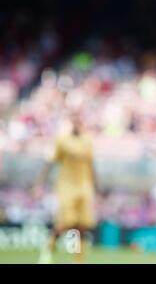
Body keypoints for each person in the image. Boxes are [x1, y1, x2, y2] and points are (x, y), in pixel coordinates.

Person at [34, 111, 97, 264]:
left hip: (84, 187)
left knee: (82, 226)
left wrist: (96, 186)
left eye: (79, 121)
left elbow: (91, 165)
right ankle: (48, 250)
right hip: (66, 187)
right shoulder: (61, 141)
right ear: (70, 123)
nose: (76, 124)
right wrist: (39, 184)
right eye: (74, 121)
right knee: (64, 224)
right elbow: (49, 163)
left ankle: (78, 260)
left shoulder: (87, 141)